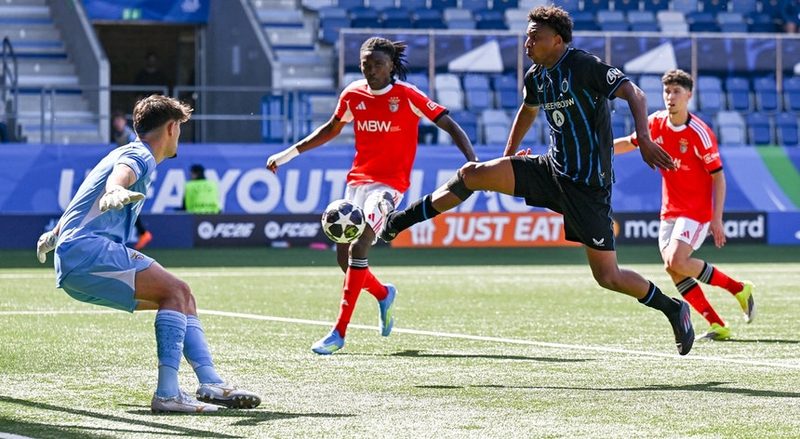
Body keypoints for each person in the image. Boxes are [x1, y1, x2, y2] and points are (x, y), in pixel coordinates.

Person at [379, 6, 696, 355]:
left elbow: (635, 93)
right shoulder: (536, 76)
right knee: (472, 175)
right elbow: (528, 110)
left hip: (588, 187)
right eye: (527, 35)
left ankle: (673, 308)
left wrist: (645, 139)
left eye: (535, 36)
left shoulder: (583, 65)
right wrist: (508, 155)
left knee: (608, 277)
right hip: (550, 170)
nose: (527, 41)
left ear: (557, 41)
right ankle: (398, 221)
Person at [35, 95, 261, 413]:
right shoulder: (139, 154)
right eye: (179, 128)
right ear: (171, 127)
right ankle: (168, 394)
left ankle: (211, 381)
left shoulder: (121, 151)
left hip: (75, 258)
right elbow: (121, 176)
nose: (179, 135)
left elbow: (82, 200)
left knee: (182, 297)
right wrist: (116, 190)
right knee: (176, 290)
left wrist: (53, 236)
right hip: (89, 252)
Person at [266, 37, 477, 355]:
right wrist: (288, 153)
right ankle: (382, 294)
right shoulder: (352, 94)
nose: (370, 69)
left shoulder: (407, 96)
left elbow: (450, 125)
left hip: (389, 187)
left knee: (359, 247)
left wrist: (472, 161)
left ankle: (338, 333)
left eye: (377, 63)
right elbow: (330, 128)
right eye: (366, 63)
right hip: (356, 183)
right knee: (343, 258)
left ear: (391, 65)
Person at [614, 69, 755, 341]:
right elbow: (630, 143)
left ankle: (737, 287)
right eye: (667, 91)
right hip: (670, 210)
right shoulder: (654, 123)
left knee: (677, 259)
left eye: (677, 91)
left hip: (696, 210)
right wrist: (600, 148)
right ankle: (718, 324)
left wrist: (717, 219)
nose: (671, 97)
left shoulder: (700, 133)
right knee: (672, 266)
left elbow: (719, 178)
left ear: (689, 95)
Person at [110, 110, 153, 250]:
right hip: (125, 170)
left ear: (124, 121)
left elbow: (135, 153)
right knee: (125, 204)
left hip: (132, 171)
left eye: (119, 120)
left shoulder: (129, 135)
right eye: (115, 121)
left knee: (124, 203)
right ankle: (142, 233)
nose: (116, 123)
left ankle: (140, 233)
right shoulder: (117, 134)